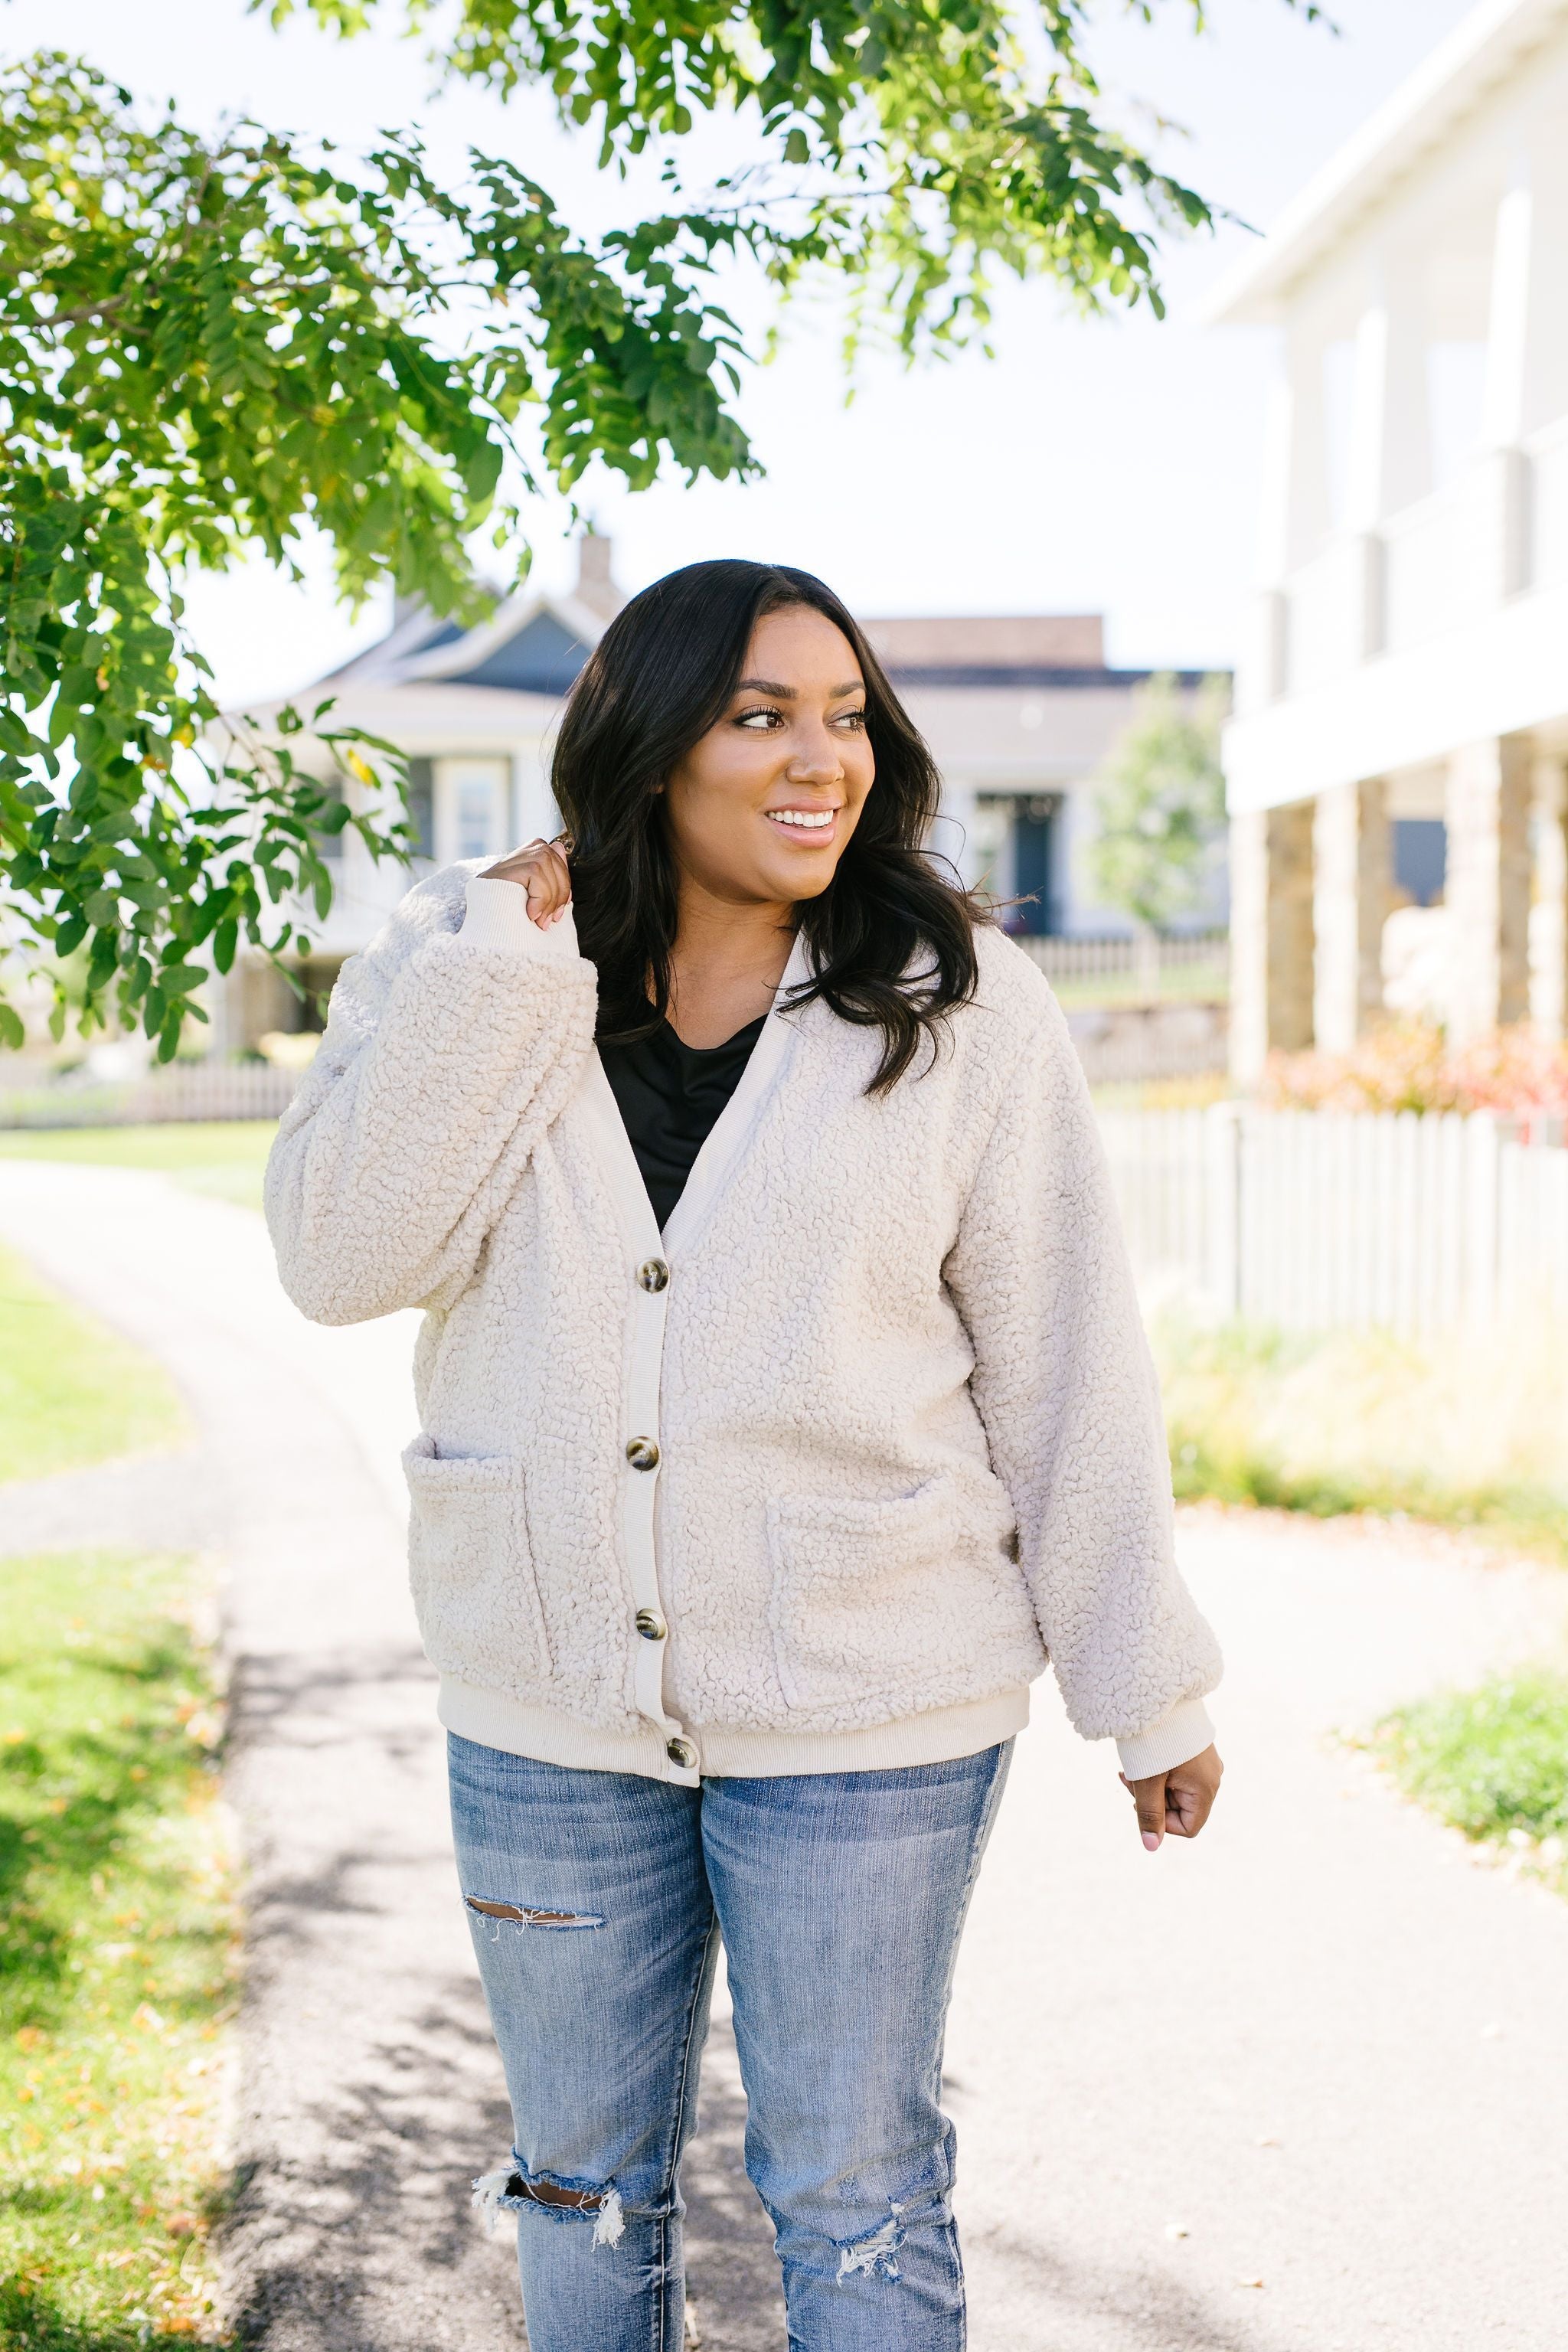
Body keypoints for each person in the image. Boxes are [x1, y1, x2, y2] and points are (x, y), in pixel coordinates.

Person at [265, 557, 1223, 2351]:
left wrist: (1142, 1688)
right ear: (647, 745)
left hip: (872, 1700)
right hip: (546, 1700)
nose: (822, 759)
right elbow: (342, 1258)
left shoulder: (959, 1003)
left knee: (856, 2192)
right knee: (577, 2183)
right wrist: (503, 985)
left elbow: (1068, 1361)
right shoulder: (464, 961)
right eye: (760, 715)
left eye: (846, 715)